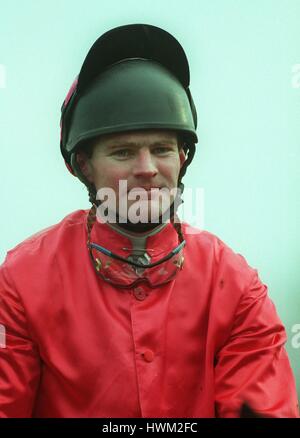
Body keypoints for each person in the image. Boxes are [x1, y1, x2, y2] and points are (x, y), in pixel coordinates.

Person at [0, 23, 298, 418]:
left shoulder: (237, 287)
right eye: (123, 152)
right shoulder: (22, 281)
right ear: (83, 165)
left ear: (183, 158)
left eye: (161, 149)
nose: (147, 169)